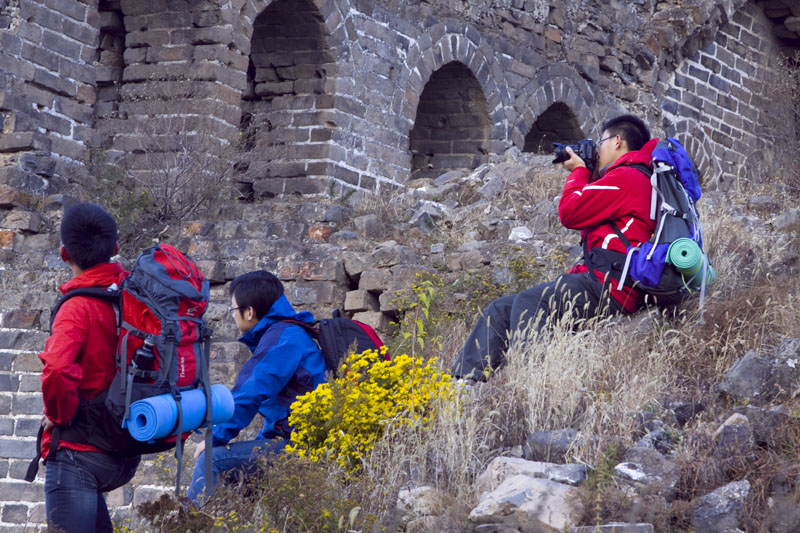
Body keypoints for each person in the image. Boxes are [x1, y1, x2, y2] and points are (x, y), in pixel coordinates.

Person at [451, 115, 659, 380]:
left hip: (612, 285)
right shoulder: (632, 178)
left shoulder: (627, 177)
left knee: (530, 300)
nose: (598, 148)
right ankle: (464, 382)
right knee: (500, 309)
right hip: (606, 279)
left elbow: (570, 212)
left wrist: (579, 171)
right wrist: (591, 173)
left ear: (618, 141)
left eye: (601, 141)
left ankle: (533, 379)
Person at [38, 202, 140, 532]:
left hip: (80, 452)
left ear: (63, 252)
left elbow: (56, 366)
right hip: (126, 446)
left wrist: (59, 415)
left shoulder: (78, 306)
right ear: (116, 248)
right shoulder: (135, 296)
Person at [187, 270, 326, 503]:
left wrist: (214, 439)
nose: (232, 316)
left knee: (211, 460)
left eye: (233, 310)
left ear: (249, 312)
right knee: (239, 482)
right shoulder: (287, 333)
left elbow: (247, 394)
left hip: (305, 447)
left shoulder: (283, 338)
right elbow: (282, 412)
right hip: (299, 440)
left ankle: (188, 527)